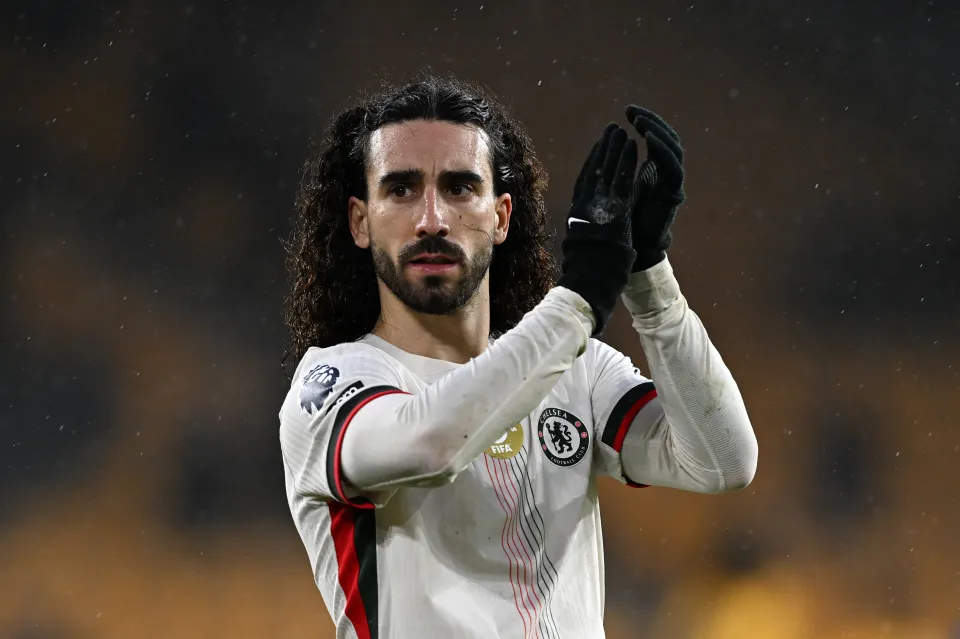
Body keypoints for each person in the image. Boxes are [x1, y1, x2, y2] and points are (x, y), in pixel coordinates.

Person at [279, 75, 758, 639]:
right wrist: (577, 303)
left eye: (459, 188)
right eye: (401, 190)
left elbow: (722, 463)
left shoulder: (577, 368)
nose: (431, 219)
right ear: (361, 221)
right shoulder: (333, 384)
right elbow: (433, 446)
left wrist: (648, 277)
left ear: (502, 217)